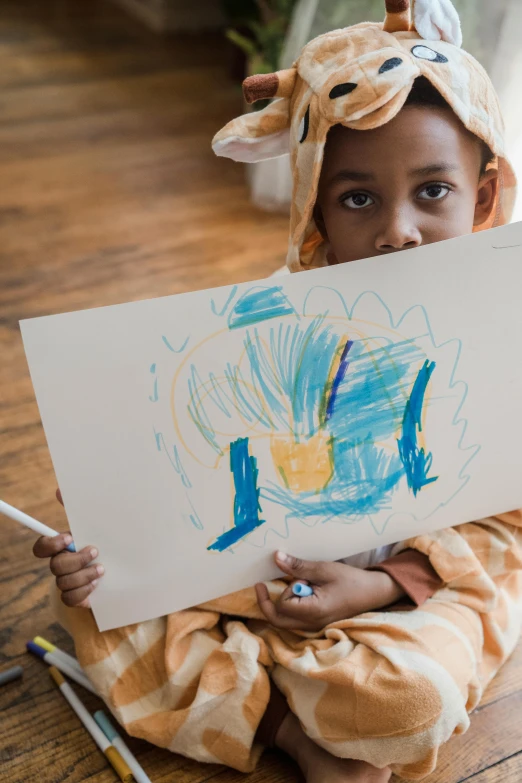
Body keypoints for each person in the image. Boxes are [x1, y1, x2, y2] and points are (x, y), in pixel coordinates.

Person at [32, 2, 522, 781]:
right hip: (245, 585)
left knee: (414, 695)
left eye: (434, 191)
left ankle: (270, 693)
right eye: (359, 198)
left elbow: (507, 529)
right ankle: (291, 723)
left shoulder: (502, 338)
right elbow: (150, 474)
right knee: (86, 612)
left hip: (402, 599)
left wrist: (375, 586)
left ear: (485, 193)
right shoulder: (260, 321)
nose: (399, 230)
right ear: (317, 210)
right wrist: (97, 545)